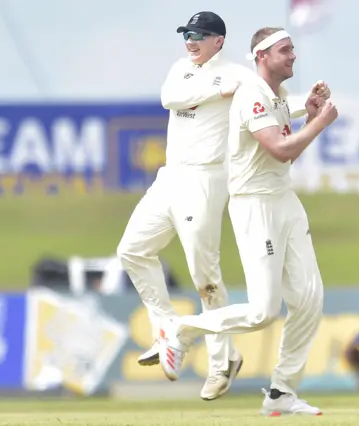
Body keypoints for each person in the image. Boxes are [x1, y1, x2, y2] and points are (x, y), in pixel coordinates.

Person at [157, 27, 337, 416]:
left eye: (292, 50)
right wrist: (322, 122)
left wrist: (310, 106)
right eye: (285, 50)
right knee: (262, 311)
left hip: (284, 200)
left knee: (309, 299)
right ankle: (181, 330)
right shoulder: (252, 92)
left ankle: (281, 394)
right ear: (263, 56)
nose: (293, 56)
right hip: (255, 206)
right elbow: (280, 148)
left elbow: (284, 126)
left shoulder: (276, 96)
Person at [116, 11, 253, 401]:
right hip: (170, 176)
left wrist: (308, 108)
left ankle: (222, 361)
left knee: (204, 277)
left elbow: (270, 100)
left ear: (218, 41)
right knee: (132, 251)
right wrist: (216, 91)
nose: (191, 41)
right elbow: (169, 98)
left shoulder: (239, 76)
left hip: (206, 179)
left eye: (199, 35)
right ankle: (167, 331)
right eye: (187, 34)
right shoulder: (183, 68)